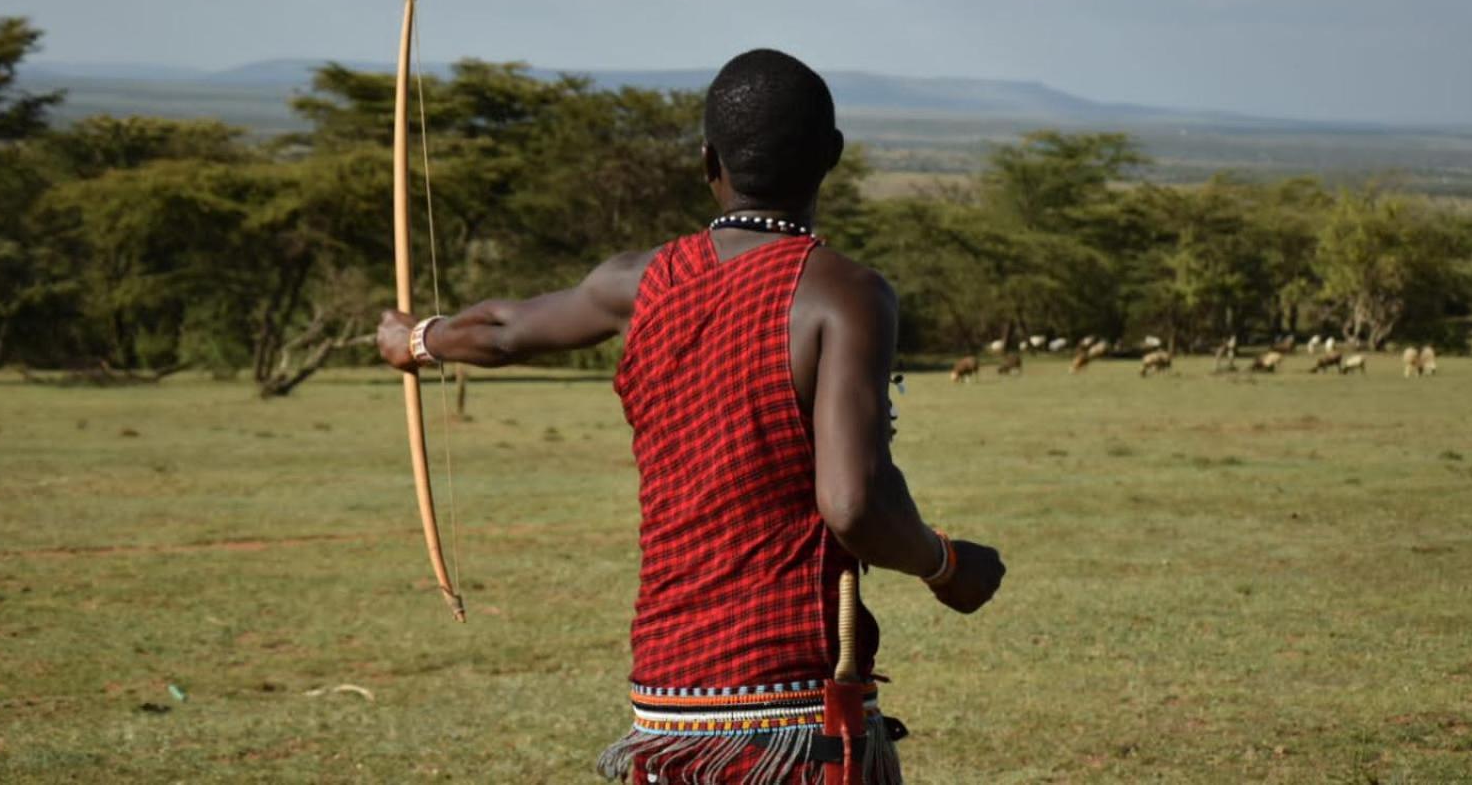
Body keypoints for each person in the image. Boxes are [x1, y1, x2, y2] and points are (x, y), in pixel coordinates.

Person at [379, 48, 1005, 783]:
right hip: (791, 718)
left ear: (707, 158)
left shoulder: (635, 282)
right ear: (831, 156)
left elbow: (501, 329)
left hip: (667, 707)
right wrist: (947, 566)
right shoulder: (846, 294)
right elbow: (852, 504)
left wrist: (415, 338)